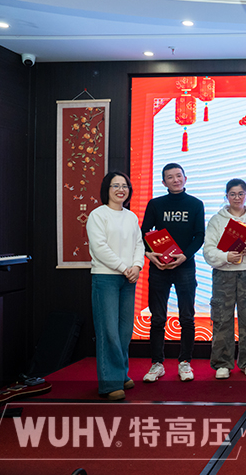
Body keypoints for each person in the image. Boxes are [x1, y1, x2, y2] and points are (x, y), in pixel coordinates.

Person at [141, 163, 205, 383]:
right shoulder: (155, 204)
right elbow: (144, 233)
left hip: (185, 267)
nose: (176, 180)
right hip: (159, 267)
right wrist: (151, 256)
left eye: (179, 176)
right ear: (163, 182)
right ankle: (157, 364)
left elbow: (199, 235)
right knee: (158, 318)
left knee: (187, 317)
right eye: (170, 177)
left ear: (185, 178)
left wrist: (184, 256)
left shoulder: (196, 204)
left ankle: (185, 362)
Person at [86, 171, 145, 401]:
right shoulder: (97, 215)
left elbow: (139, 244)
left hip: (128, 278)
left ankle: (121, 375)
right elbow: (99, 247)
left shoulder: (131, 216)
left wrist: (137, 266)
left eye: (125, 186)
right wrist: (124, 267)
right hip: (106, 277)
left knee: (124, 331)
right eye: (116, 186)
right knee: (108, 330)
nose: (121, 190)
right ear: (106, 189)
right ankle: (110, 383)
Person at [203, 179, 246, 380]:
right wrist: (225, 257)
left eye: (240, 194)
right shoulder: (217, 220)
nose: (237, 198)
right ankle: (222, 363)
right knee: (222, 318)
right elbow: (208, 250)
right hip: (224, 273)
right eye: (232, 194)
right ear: (226, 196)